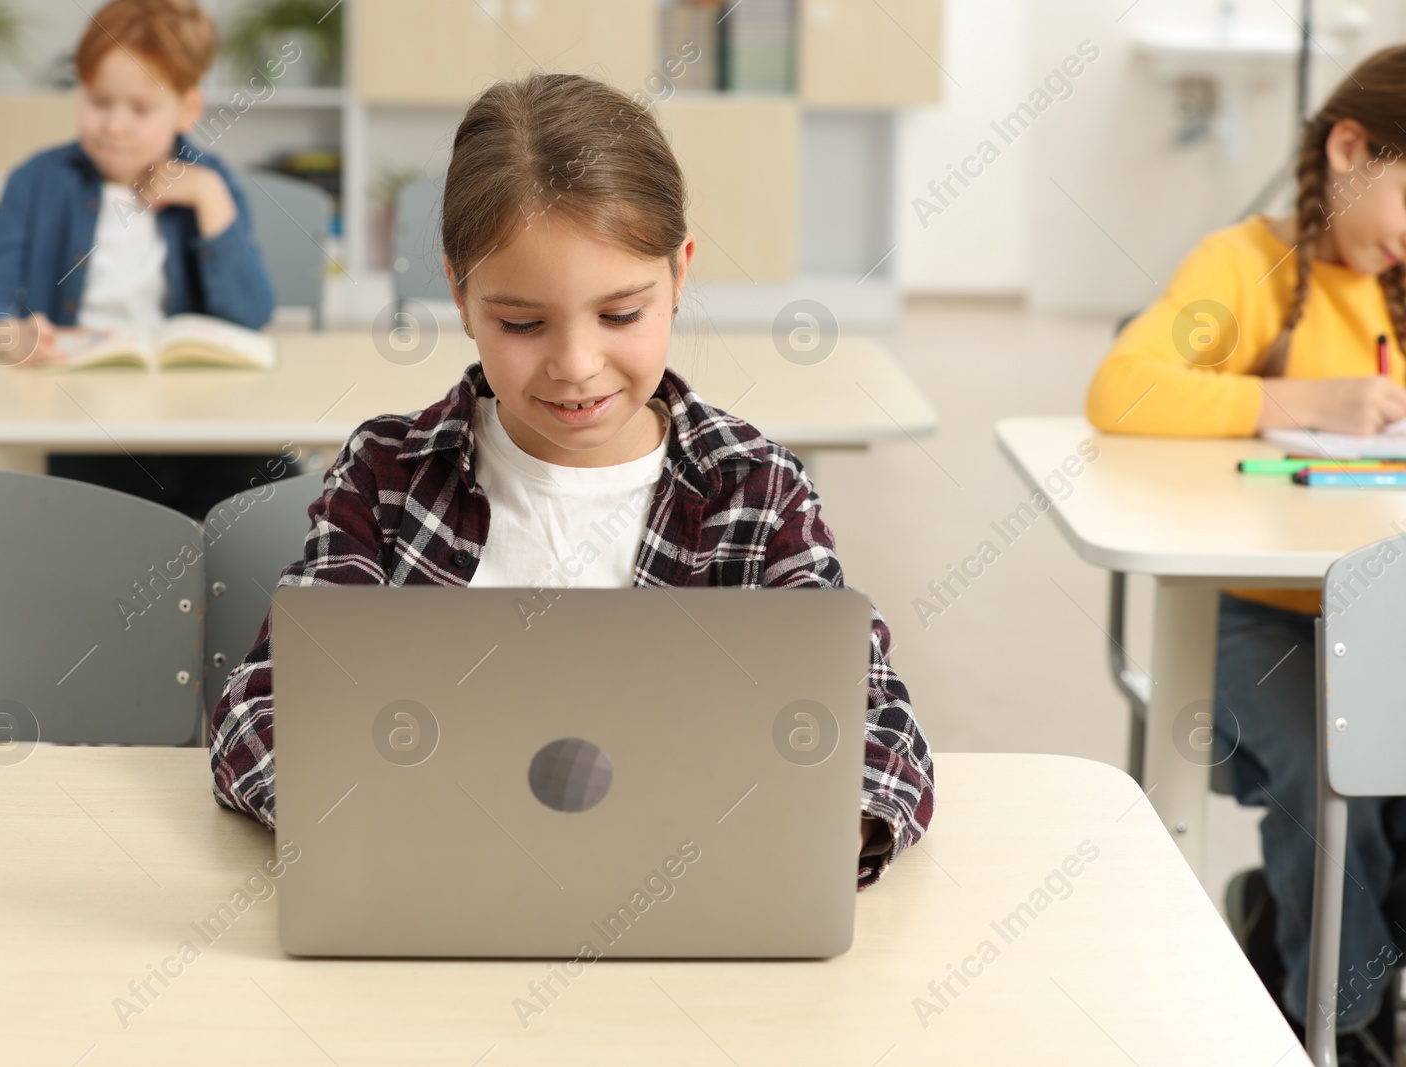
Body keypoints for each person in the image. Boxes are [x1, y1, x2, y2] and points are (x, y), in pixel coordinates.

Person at [209, 72, 934, 890]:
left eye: (621, 314)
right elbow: (257, 708)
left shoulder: (755, 489)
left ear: (680, 275)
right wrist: (378, 816)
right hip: (435, 901)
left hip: (682, 909)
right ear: (460, 291)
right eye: (521, 324)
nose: (576, 364)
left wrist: (817, 825)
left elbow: (879, 725)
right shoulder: (387, 477)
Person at [1087, 45, 1406, 1064]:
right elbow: (1122, 389)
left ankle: (1296, 933)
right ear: (1351, 148)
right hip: (1253, 612)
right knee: (1335, 774)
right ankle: (1339, 1023)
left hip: (1383, 609)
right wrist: (1299, 401)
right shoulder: (1245, 266)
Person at [0, 0, 293, 521]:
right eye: (98, 101)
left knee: (277, 505)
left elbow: (250, 315)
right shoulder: (38, 181)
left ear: (186, 109)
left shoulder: (211, 181)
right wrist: (9, 335)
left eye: (139, 108)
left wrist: (212, 204)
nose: (114, 125)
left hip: (203, 416)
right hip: (85, 415)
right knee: (107, 525)